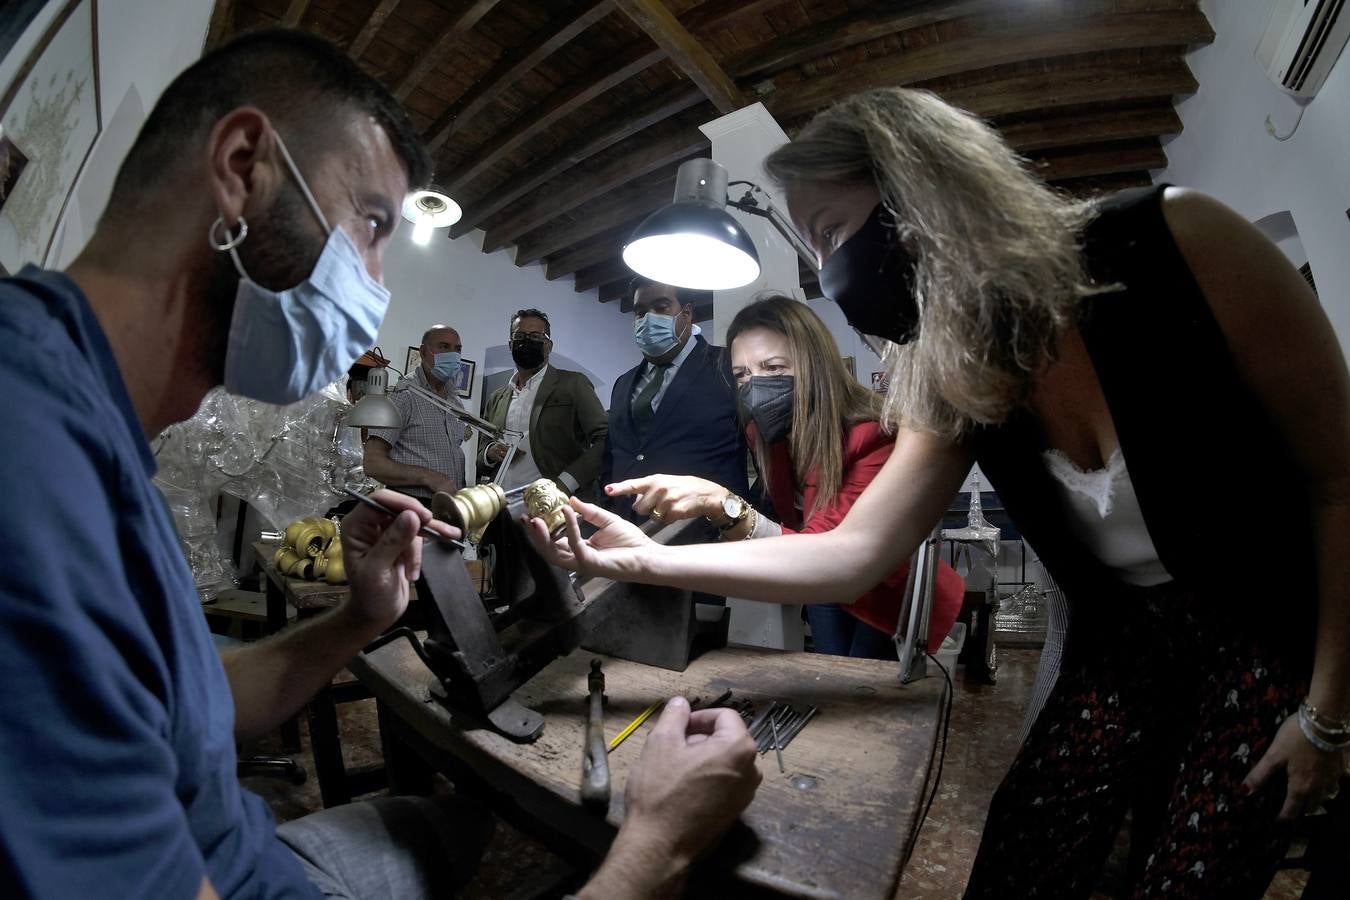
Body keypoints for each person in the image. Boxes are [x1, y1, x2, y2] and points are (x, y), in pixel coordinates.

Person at [529, 86, 1350, 898]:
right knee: (1025, 851)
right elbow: (851, 555)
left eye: (831, 233)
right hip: (1128, 641)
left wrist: (1327, 712)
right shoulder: (955, 370)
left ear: (919, 188)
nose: (828, 270)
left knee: (1192, 874)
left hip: (1267, 629)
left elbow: (1339, 482)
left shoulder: (1177, 241)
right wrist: (643, 563)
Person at [0, 29, 760, 900]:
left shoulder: (87, 415)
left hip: (250, 851)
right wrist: (655, 847)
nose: (373, 285)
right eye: (369, 226)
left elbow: (180, 703)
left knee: (449, 824)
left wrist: (357, 619)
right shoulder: (26, 454)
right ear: (243, 166)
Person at [608, 295, 963, 659]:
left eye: (774, 367)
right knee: (828, 674)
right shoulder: (766, 436)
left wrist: (722, 504)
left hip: (886, 590)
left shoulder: (871, 436)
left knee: (864, 681)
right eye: (742, 375)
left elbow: (829, 554)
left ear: (814, 364)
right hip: (821, 583)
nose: (755, 385)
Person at [602, 278, 750, 524]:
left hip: (706, 533)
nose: (649, 319)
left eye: (661, 307)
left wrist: (742, 519)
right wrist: (607, 506)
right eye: (640, 312)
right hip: (627, 528)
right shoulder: (623, 383)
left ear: (687, 312)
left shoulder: (729, 367)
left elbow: (767, 456)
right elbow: (611, 456)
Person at [480, 308, 609, 499]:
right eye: (520, 336)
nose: (527, 341)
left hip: (553, 504)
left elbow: (605, 439)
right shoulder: (497, 397)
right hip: (501, 504)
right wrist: (490, 453)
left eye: (535, 336)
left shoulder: (573, 384)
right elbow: (481, 451)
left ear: (548, 345)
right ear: (510, 344)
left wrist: (566, 483)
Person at [363, 324, 470, 502]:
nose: (453, 355)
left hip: (447, 507)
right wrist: (427, 477)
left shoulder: (455, 400)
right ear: (423, 352)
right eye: (444, 347)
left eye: (457, 349)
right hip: (411, 505)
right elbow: (373, 463)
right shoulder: (403, 395)